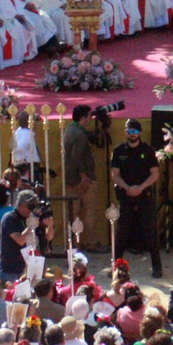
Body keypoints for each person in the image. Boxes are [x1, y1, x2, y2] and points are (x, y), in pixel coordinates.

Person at [111, 119, 162, 279]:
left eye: (134, 132)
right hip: (126, 195)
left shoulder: (148, 150)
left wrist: (141, 187)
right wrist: (128, 188)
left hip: (144, 196)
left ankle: (157, 267)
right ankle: (116, 268)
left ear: (139, 133)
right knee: (122, 232)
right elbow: (115, 175)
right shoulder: (119, 151)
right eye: (128, 132)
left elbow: (155, 174)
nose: (131, 135)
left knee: (150, 232)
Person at [62, 106, 106, 252]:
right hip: (84, 178)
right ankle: (91, 243)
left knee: (73, 213)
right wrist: (84, 176)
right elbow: (77, 157)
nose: (90, 119)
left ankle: (74, 243)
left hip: (70, 179)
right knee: (89, 213)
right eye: (89, 116)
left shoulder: (70, 129)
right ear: (83, 118)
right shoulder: (80, 135)